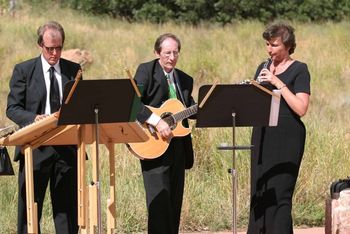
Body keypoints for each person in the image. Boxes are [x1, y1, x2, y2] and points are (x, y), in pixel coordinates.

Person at [6, 21, 81, 234]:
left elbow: (79, 106)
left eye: (59, 48)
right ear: (40, 45)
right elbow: (12, 108)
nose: (55, 53)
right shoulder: (24, 70)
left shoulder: (74, 70)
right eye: (50, 48)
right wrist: (34, 118)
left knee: (67, 211)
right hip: (34, 147)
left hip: (66, 148)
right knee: (30, 209)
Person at [247, 22, 311, 234]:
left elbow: (301, 108)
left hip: (287, 135)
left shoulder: (300, 70)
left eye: (274, 45)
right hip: (262, 134)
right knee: (259, 189)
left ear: (288, 45)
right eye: (267, 44)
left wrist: (277, 83)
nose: (269, 50)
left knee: (281, 192)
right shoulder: (262, 67)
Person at [133, 33, 196, 234]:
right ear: (157, 52)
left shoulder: (185, 79)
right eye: (167, 53)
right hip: (153, 143)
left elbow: (190, 108)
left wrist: (212, 106)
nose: (172, 57)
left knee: (174, 203)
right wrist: (157, 121)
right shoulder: (146, 71)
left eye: (175, 53)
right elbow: (132, 103)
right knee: (159, 204)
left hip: (179, 147)